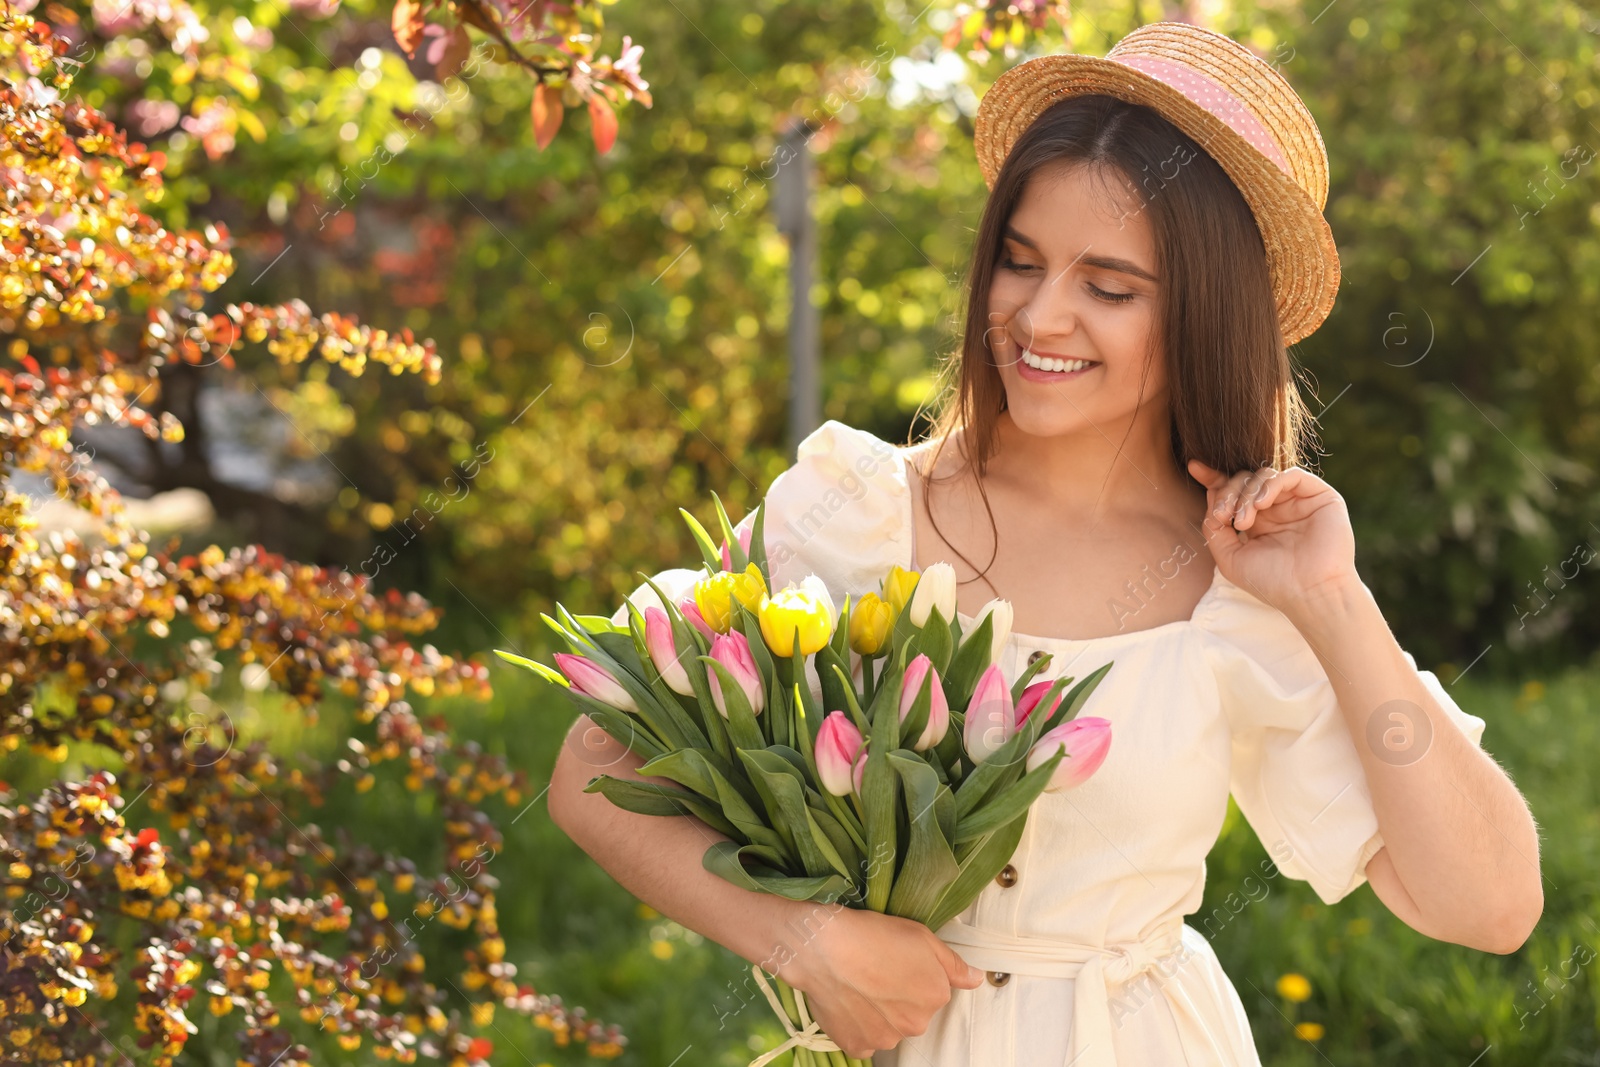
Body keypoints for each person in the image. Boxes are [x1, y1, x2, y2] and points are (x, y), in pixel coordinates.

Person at [547, 21, 1543, 1066]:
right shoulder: (852, 509)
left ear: (1203, 315)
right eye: (1018, 263)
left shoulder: (1239, 585)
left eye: (1108, 287)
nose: (1040, 316)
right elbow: (592, 761)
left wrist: (1334, 600)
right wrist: (805, 939)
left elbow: (1489, 902)